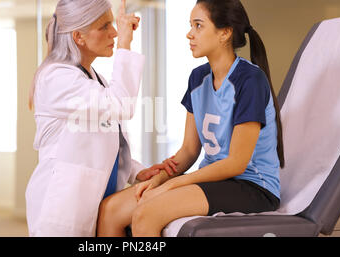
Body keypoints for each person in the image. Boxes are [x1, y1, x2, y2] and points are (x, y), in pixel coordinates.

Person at [97, 0, 284, 237]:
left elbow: (236, 163)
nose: (189, 34)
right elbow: (188, 150)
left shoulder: (250, 80)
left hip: (252, 186)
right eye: (191, 25)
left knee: (147, 214)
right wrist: (161, 179)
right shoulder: (198, 78)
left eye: (198, 26)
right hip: (217, 182)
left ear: (225, 33)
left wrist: (174, 184)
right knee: (110, 210)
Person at [25, 0, 177, 237]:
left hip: (97, 201)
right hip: (62, 207)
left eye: (113, 26)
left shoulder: (96, 81)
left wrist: (136, 172)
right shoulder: (56, 78)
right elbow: (121, 105)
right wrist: (125, 44)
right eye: (105, 26)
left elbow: (104, 145)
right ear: (79, 36)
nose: (114, 32)